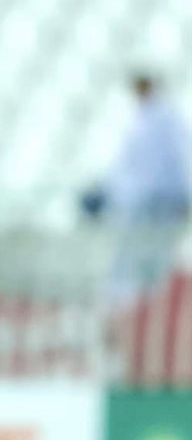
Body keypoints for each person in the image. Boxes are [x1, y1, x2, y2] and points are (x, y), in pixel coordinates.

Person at [95, 73, 190, 307]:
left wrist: (185, 195)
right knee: (134, 252)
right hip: (140, 198)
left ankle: (146, 303)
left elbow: (180, 156)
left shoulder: (165, 118)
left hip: (162, 197)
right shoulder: (142, 119)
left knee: (154, 253)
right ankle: (129, 304)